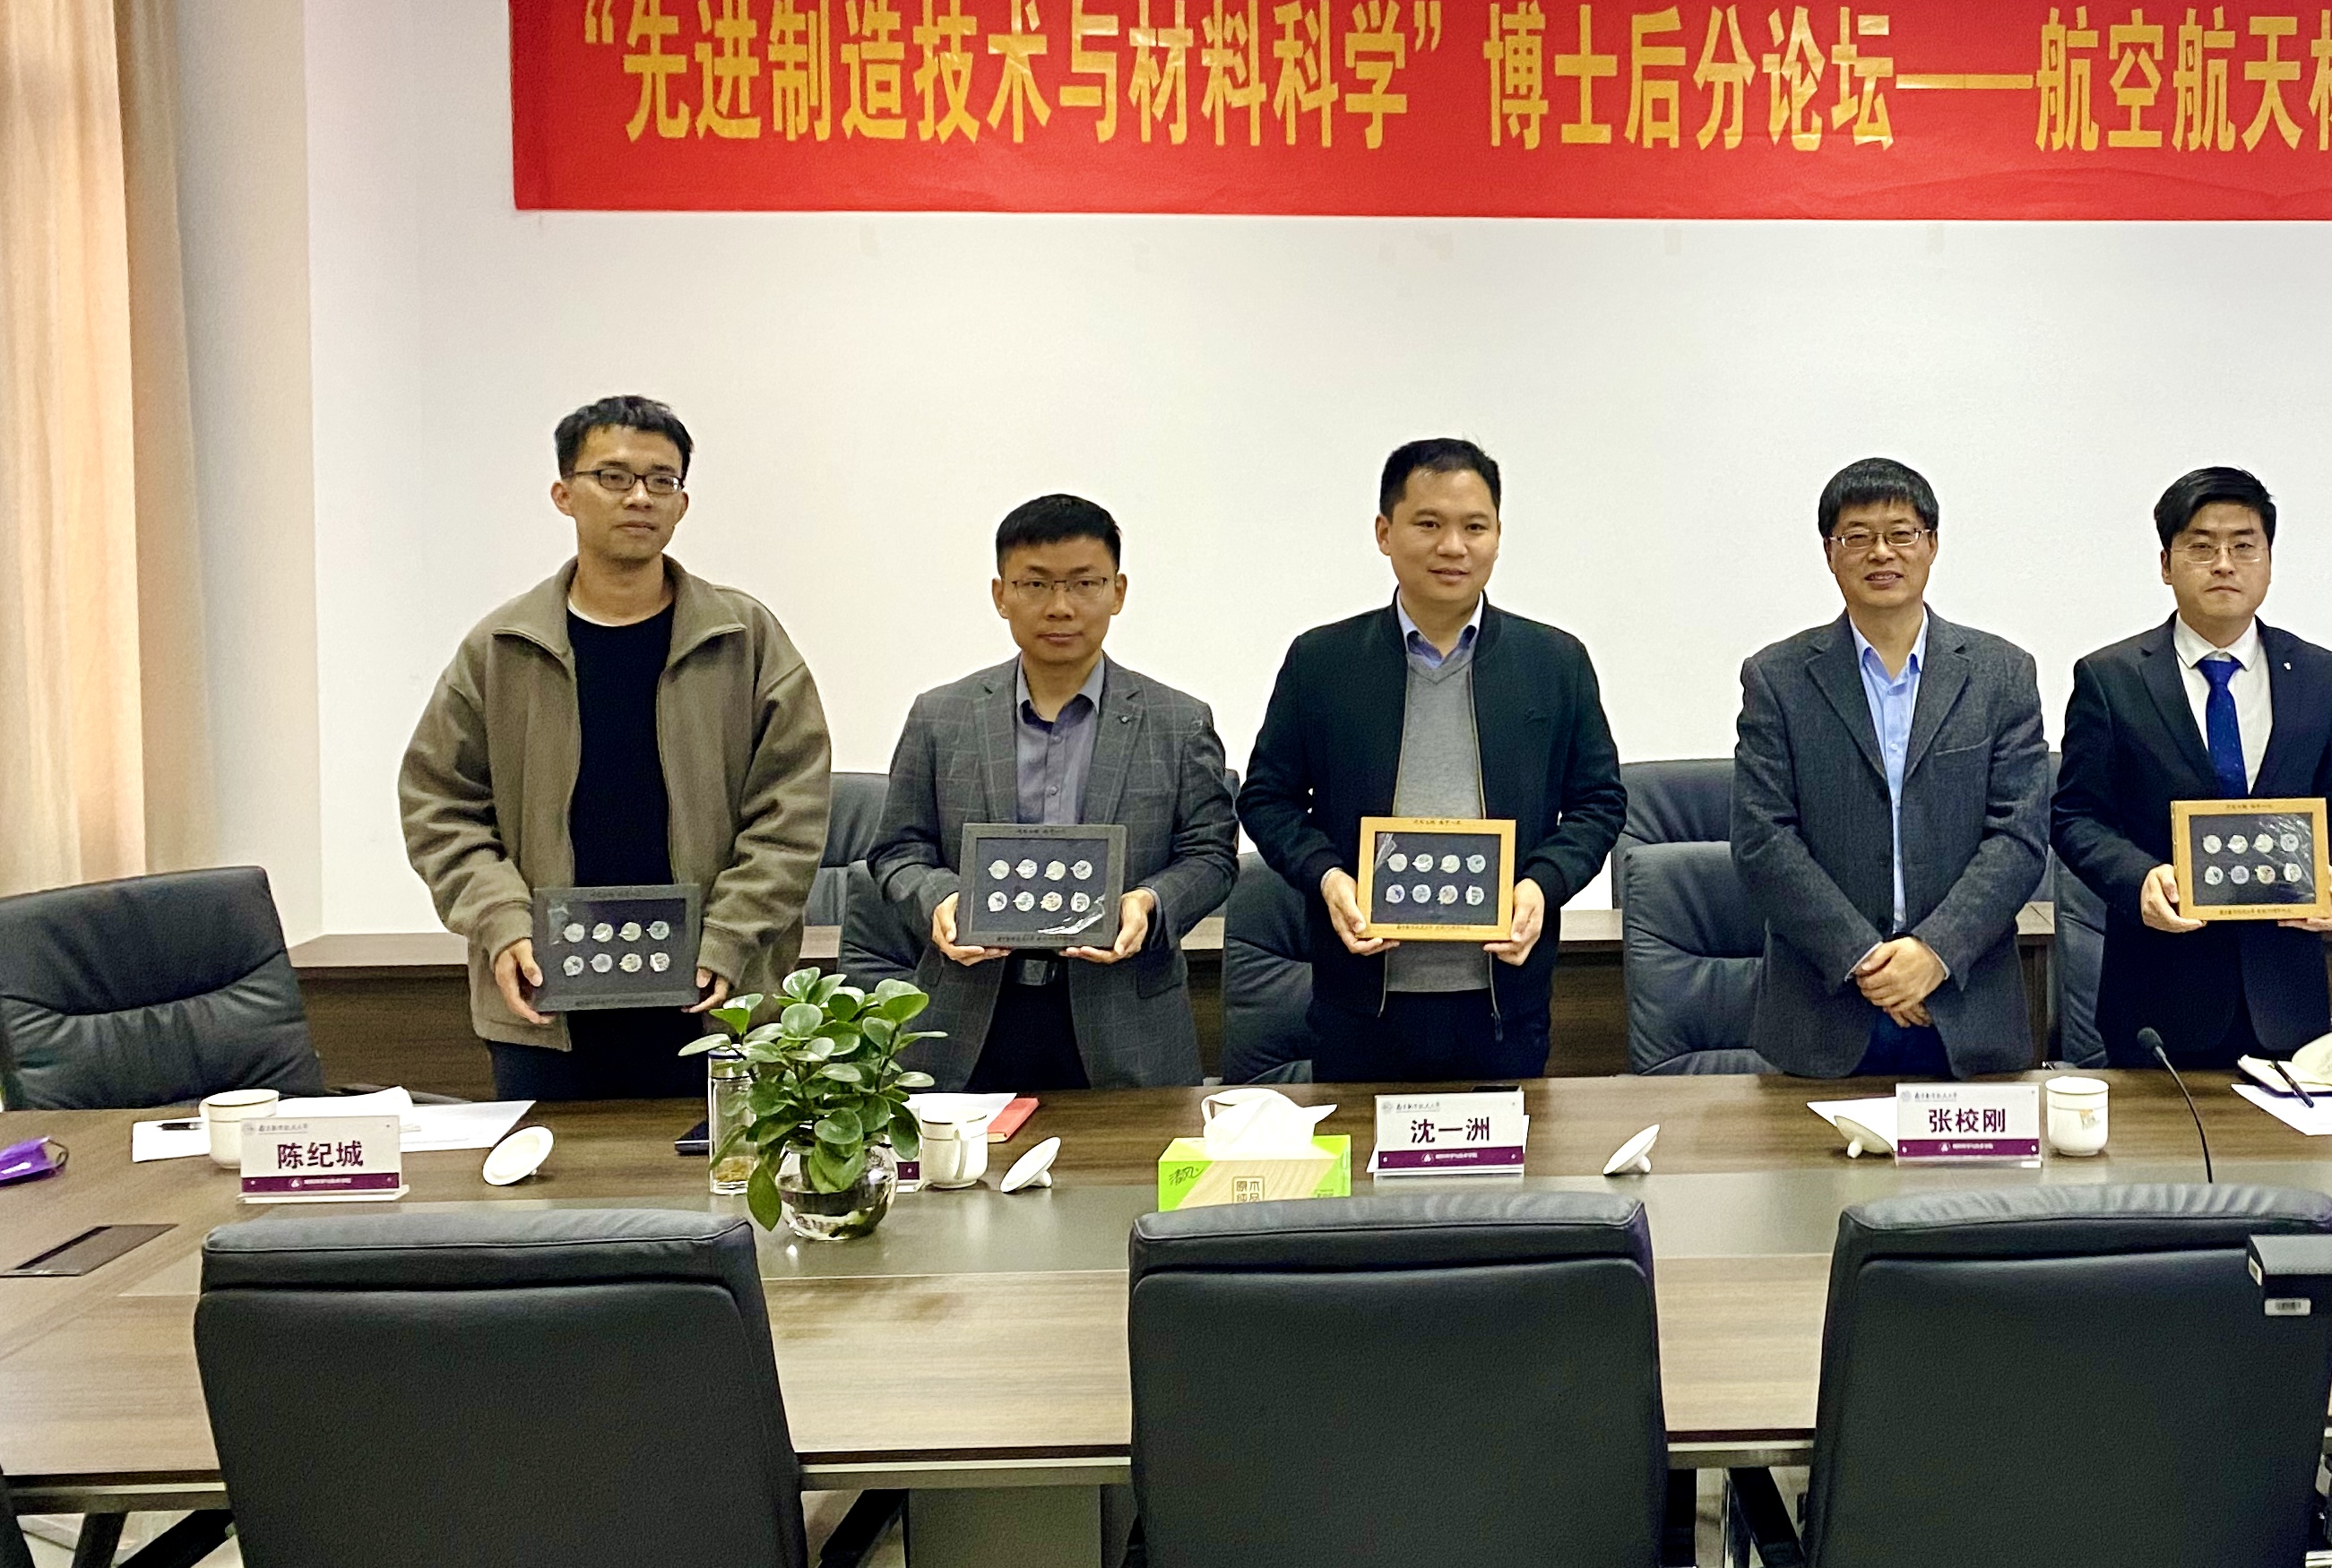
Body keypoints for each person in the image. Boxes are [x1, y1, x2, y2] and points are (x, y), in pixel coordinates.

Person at [399, 396, 829, 1102]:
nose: (639, 497)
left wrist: (729, 935)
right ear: (564, 494)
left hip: (714, 999)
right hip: (547, 1007)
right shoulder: (502, 648)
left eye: (662, 480)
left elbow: (793, 809)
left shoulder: (744, 640)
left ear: (682, 503)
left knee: (723, 1175)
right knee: (553, 1176)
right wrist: (503, 921)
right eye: (614, 476)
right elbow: (438, 804)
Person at [1237, 438, 1625, 1081]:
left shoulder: (1554, 662)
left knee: (1501, 1150)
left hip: (1503, 1001)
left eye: (1475, 526)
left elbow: (1599, 803)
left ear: (1498, 535)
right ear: (1384, 533)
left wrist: (1541, 885)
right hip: (1361, 1000)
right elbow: (1266, 798)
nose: (1453, 546)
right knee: (1363, 1149)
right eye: (1428, 524)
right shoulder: (1322, 661)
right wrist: (1328, 877)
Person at [866, 494, 1239, 1092]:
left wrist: (1148, 902)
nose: (1060, 606)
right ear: (1000, 594)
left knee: (1128, 1159)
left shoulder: (1179, 721)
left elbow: (1211, 855)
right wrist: (943, 899)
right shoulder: (941, 716)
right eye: (1035, 584)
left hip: (1126, 1020)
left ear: (1118, 591)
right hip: (968, 1017)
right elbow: (898, 849)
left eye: (1085, 583)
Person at [1734, 458, 2050, 1080]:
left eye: (1901, 533)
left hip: (1966, 1007)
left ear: (1932, 544)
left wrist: (1934, 952)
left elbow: (2018, 836)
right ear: (1830, 553)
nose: (1881, 552)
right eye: (1857, 536)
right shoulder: (1777, 678)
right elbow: (1762, 839)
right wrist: (1867, 960)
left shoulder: (2002, 673)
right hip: (1824, 1013)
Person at [2054, 466, 2332, 1071]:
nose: (2224, 564)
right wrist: (2140, 878)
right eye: (2201, 547)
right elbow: (2076, 816)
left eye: (2243, 546)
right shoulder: (2111, 678)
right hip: (2157, 997)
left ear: (2269, 561)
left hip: (2288, 997)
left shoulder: (2319, 674)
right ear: (2166, 564)